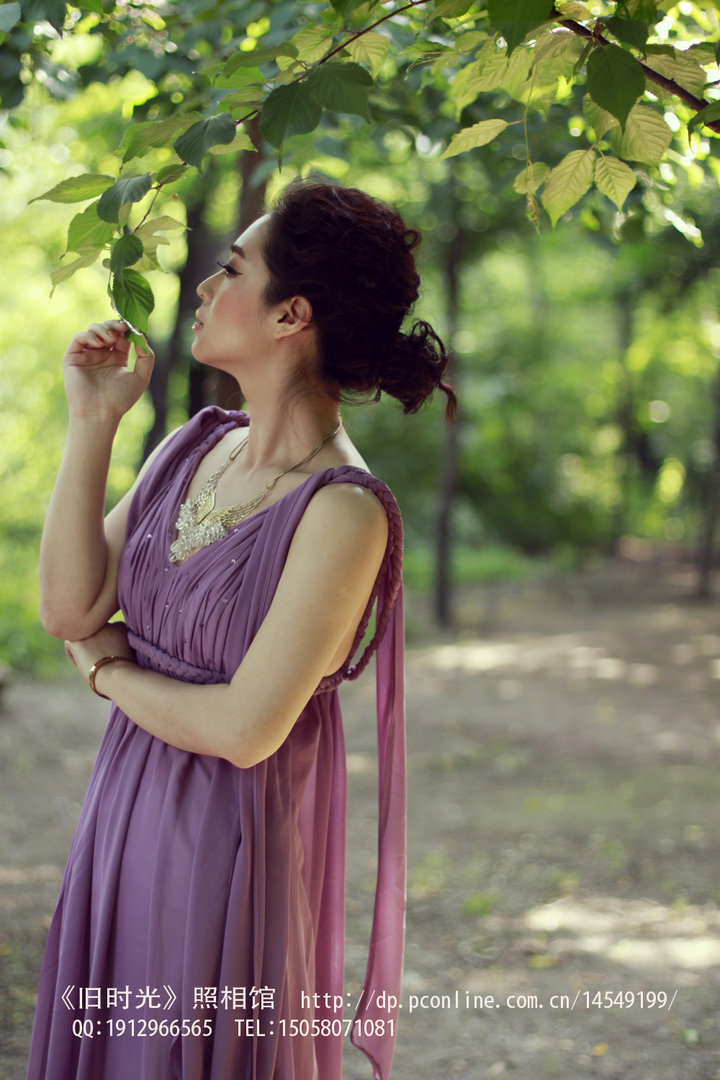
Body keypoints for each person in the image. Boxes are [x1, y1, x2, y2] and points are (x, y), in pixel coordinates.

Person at [28, 179, 455, 1080]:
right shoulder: (193, 444)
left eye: (229, 270)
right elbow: (70, 609)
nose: (203, 290)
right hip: (122, 808)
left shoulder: (344, 512)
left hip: (227, 848)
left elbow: (244, 730)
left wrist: (107, 675)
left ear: (289, 314)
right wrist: (93, 422)